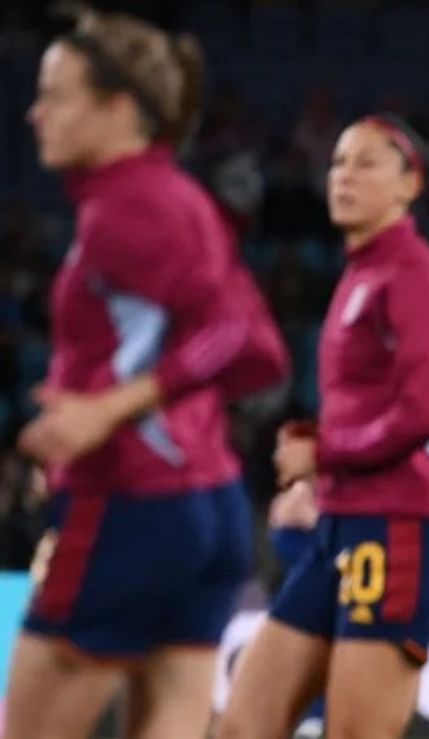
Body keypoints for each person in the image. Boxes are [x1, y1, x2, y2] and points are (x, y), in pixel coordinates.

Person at [8, 7, 290, 739]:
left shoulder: (133, 206)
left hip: (130, 508)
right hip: (203, 505)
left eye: (58, 94)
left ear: (120, 109)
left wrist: (107, 413)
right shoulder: (171, 199)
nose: (36, 113)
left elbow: (243, 338)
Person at [218, 114, 429, 739]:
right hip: (341, 528)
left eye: (365, 163)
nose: (343, 177)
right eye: (336, 163)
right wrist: (322, 484)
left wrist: (323, 455)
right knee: (243, 727)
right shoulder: (360, 272)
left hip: (400, 530)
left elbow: (421, 414)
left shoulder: (415, 273)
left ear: (409, 185)